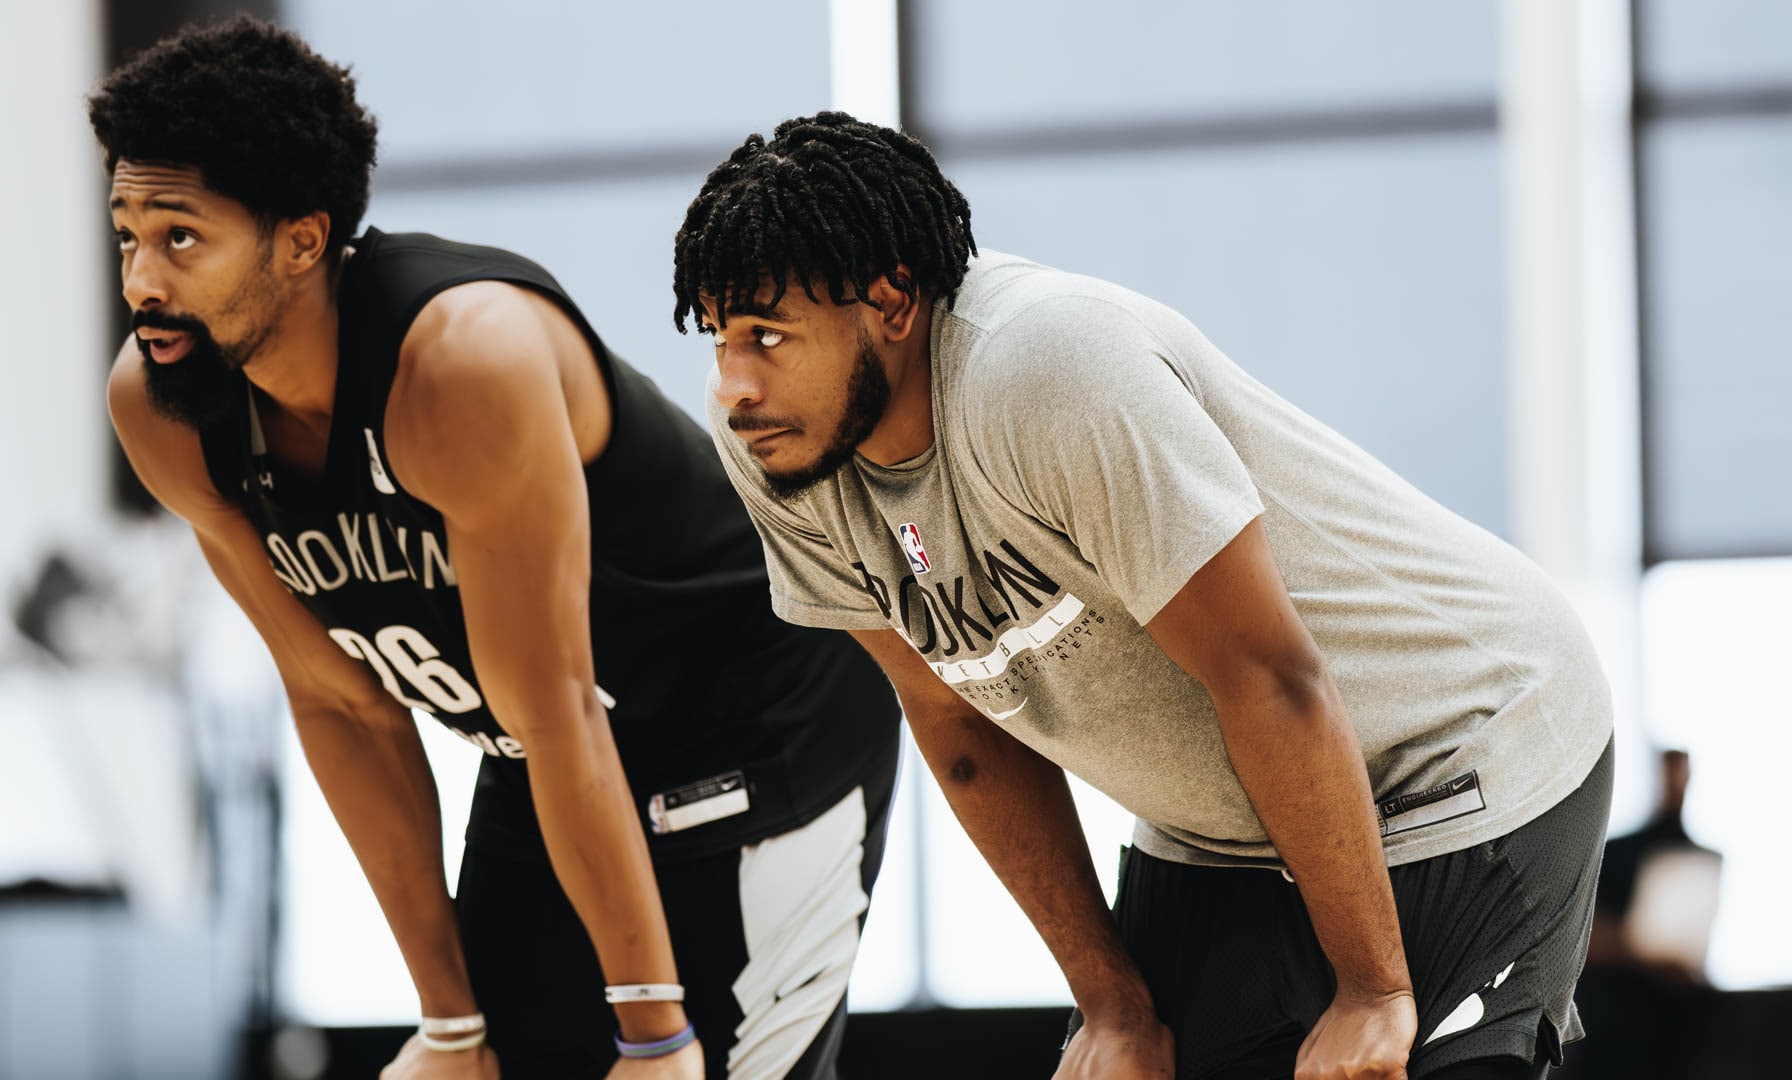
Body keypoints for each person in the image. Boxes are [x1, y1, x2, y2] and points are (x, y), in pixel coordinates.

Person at [675, 112, 1615, 1080]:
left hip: (1462, 746)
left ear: (893, 301)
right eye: (717, 337)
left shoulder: (1044, 370)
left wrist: (1374, 989)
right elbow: (952, 719)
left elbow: (1269, 675)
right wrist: (1113, 1007)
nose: (735, 382)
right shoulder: (781, 445)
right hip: (1226, 828)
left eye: (767, 336)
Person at [91, 26, 900, 1080]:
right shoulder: (162, 408)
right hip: (544, 746)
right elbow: (341, 704)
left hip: (751, 709)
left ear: (300, 240)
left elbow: (556, 702)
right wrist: (450, 1024)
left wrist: (655, 1035)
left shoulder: (459, 361)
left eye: (180, 239)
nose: (141, 280)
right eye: (125, 237)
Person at [1565, 749, 1721, 1077]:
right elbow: (1582, 937)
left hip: (1670, 1026)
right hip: (1613, 1020)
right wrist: (1643, 950)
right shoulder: (1616, 852)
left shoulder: (1700, 858)